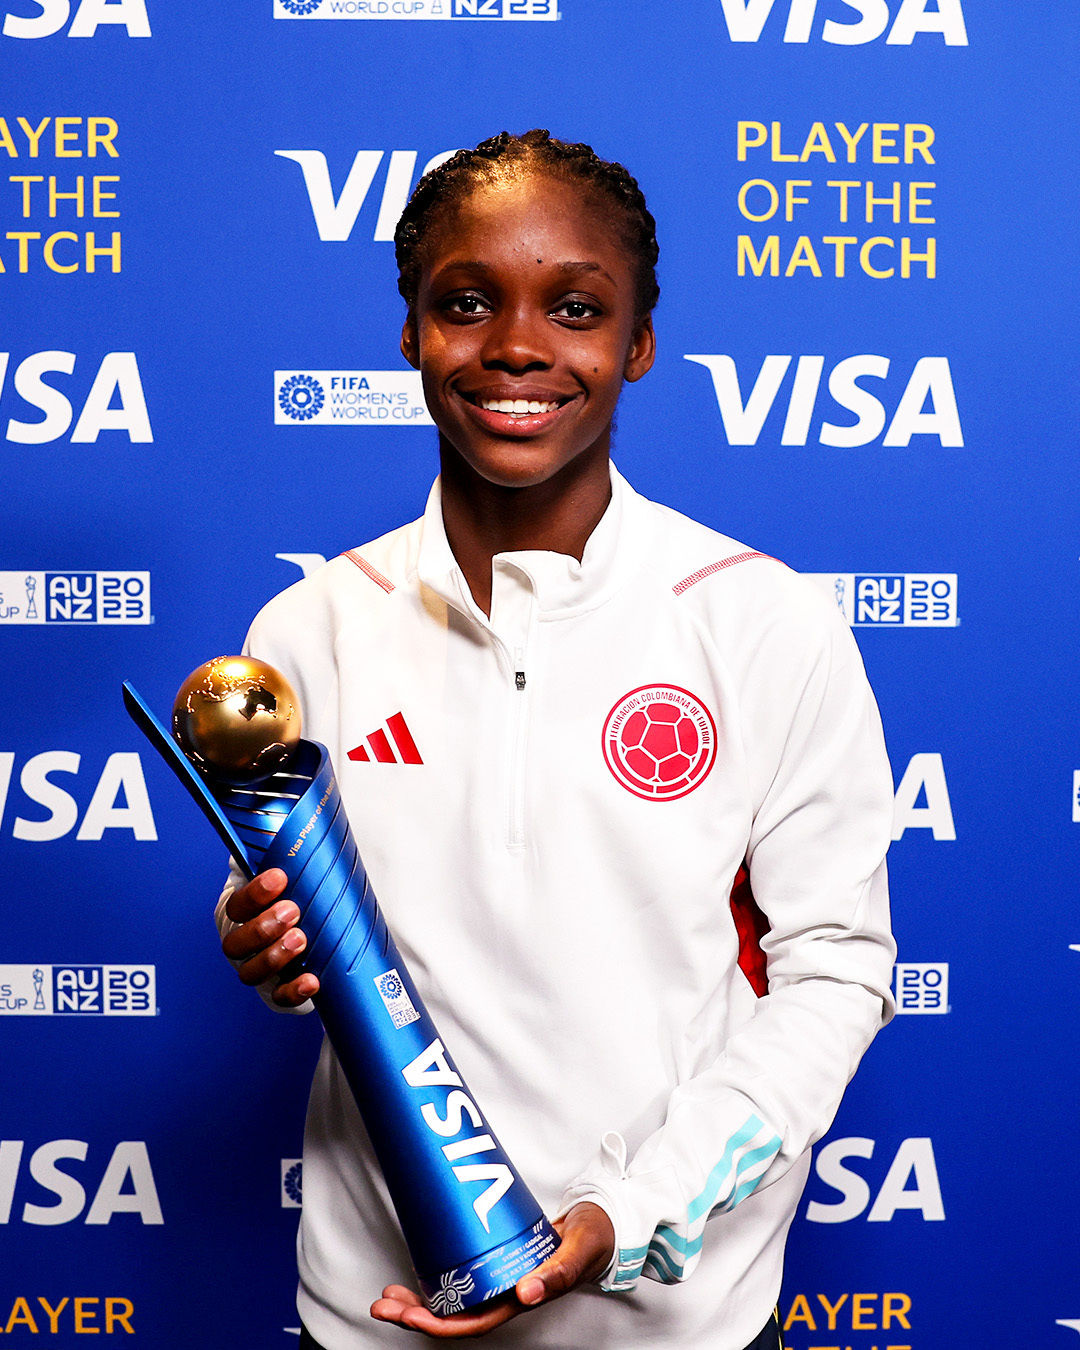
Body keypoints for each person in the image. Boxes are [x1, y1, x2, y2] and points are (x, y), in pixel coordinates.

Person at [216, 130, 896, 1350]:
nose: (518, 345)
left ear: (636, 344)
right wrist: (262, 942)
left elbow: (835, 973)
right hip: (375, 1314)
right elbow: (299, 931)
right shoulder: (309, 625)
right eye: (466, 302)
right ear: (412, 334)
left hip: (672, 1323)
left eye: (574, 307)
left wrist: (626, 1214)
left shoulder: (761, 621)